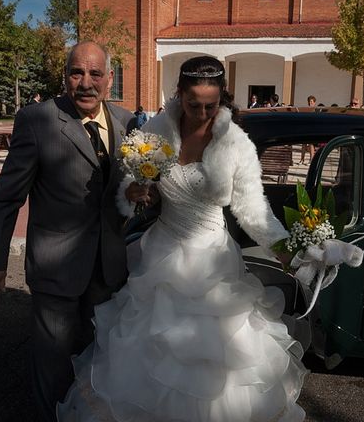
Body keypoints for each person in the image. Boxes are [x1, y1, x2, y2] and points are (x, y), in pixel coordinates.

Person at [58, 55, 307, 421]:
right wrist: (135, 194)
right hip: (162, 257)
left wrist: (293, 254)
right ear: (179, 94)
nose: (203, 112)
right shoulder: (156, 131)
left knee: (218, 367)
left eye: (211, 105)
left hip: (214, 263)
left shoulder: (236, 145)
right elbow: (131, 184)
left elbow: (254, 210)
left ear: (222, 98)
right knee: (145, 357)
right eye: (194, 104)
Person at [0, 41, 136, 422]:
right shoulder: (38, 120)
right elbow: (5, 199)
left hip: (109, 268)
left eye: (95, 74)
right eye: (76, 72)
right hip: (56, 268)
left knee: (98, 359)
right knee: (51, 366)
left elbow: (124, 193)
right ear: (65, 77)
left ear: (109, 79)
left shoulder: (127, 122)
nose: (85, 83)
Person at [299, 95, 317, 164]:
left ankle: (311, 159)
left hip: (312, 129)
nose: (310, 103)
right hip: (306, 128)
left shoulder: (316, 110)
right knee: (303, 144)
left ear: (314, 102)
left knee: (311, 144)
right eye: (309, 102)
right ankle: (302, 159)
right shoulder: (306, 110)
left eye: (311, 102)